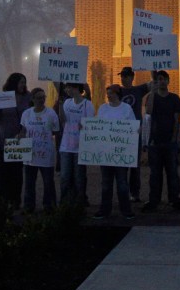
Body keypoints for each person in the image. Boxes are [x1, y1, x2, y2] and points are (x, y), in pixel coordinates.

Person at [141, 70, 180, 212]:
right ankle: (154, 200)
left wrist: (175, 138)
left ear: (168, 81)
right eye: (158, 79)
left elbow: (176, 119)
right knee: (155, 173)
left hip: (169, 141)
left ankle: (175, 199)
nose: (161, 81)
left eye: (163, 79)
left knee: (172, 172)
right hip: (155, 141)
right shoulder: (151, 97)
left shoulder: (174, 98)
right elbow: (148, 112)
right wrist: (152, 93)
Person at [92, 84, 136, 220]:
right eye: (108, 93)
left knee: (122, 183)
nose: (109, 95)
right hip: (106, 153)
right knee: (106, 183)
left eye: (111, 93)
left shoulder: (126, 109)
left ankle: (126, 210)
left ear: (117, 94)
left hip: (121, 153)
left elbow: (132, 127)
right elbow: (98, 126)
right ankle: (105, 210)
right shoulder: (103, 108)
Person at [0, 73, 29, 208]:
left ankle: (15, 200)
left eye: (24, 82)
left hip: (18, 140)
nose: (23, 85)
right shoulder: (3, 97)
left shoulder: (28, 98)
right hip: (1, 139)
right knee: (3, 171)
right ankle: (2, 200)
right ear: (13, 83)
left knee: (17, 171)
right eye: (21, 82)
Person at [20, 87, 60, 212]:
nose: (42, 100)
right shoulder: (27, 113)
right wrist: (19, 137)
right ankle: (28, 206)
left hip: (46, 153)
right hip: (30, 154)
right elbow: (23, 130)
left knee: (48, 181)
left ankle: (49, 205)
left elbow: (56, 131)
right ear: (32, 99)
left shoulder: (51, 113)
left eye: (43, 97)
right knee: (29, 182)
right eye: (38, 98)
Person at [58, 82, 92, 207]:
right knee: (65, 177)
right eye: (66, 88)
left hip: (80, 146)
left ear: (77, 89)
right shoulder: (67, 103)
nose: (67, 90)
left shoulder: (87, 104)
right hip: (66, 145)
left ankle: (80, 201)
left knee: (79, 177)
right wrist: (61, 107)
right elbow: (63, 121)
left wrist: (85, 126)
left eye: (69, 87)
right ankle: (65, 202)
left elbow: (90, 124)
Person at [118, 67, 149, 202]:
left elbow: (152, 84)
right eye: (122, 76)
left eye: (125, 76)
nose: (123, 79)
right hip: (121, 132)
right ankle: (124, 191)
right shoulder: (118, 91)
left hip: (135, 131)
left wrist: (153, 67)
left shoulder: (138, 90)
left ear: (132, 77)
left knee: (135, 165)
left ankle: (135, 192)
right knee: (122, 165)